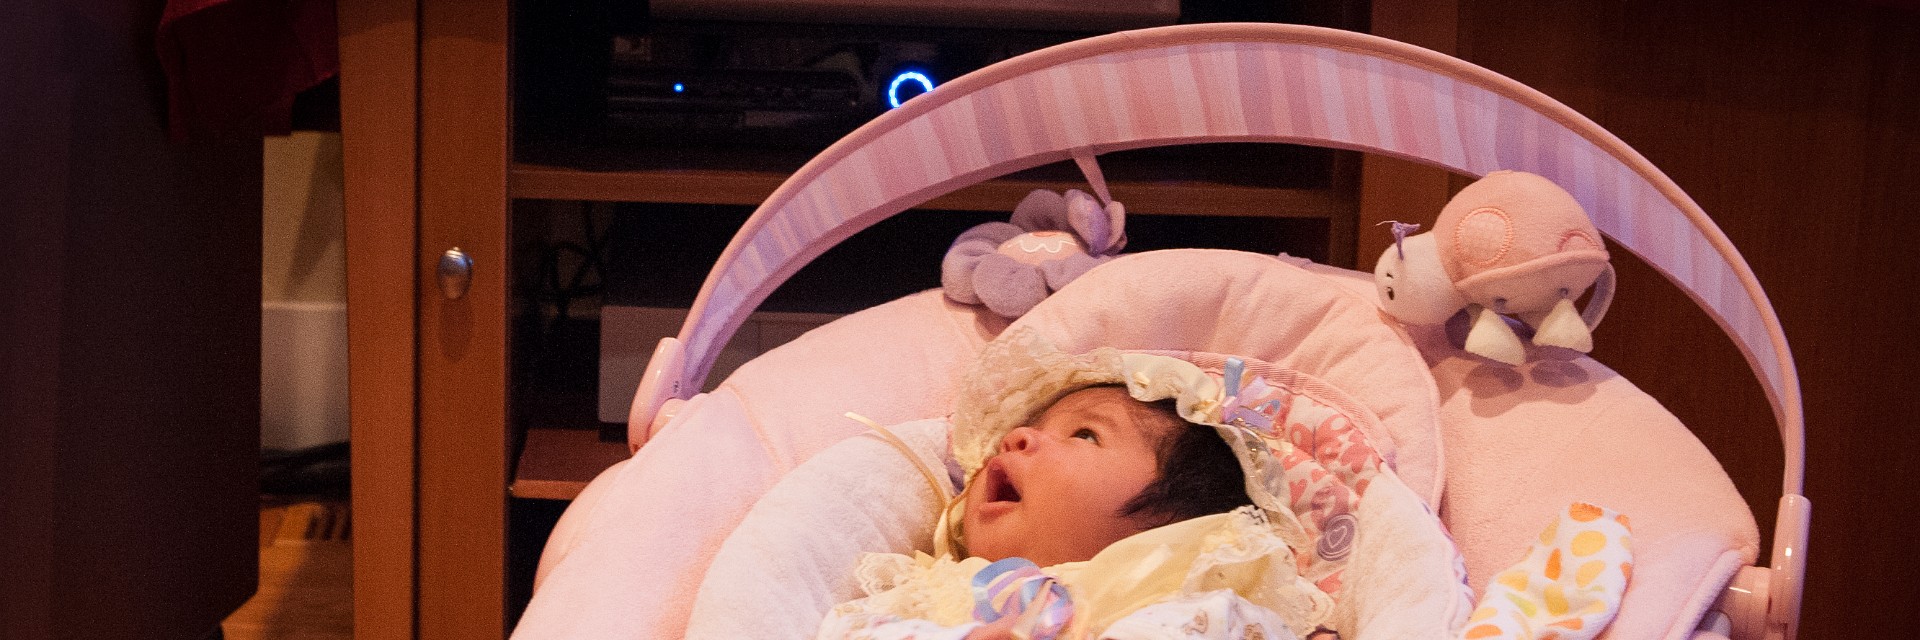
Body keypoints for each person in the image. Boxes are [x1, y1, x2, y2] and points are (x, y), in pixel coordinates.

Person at [818, 371, 1336, 640]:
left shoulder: (1189, 593)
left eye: (1084, 434)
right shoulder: (928, 587)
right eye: (1032, 426)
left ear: (1175, 517)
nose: (1017, 437)